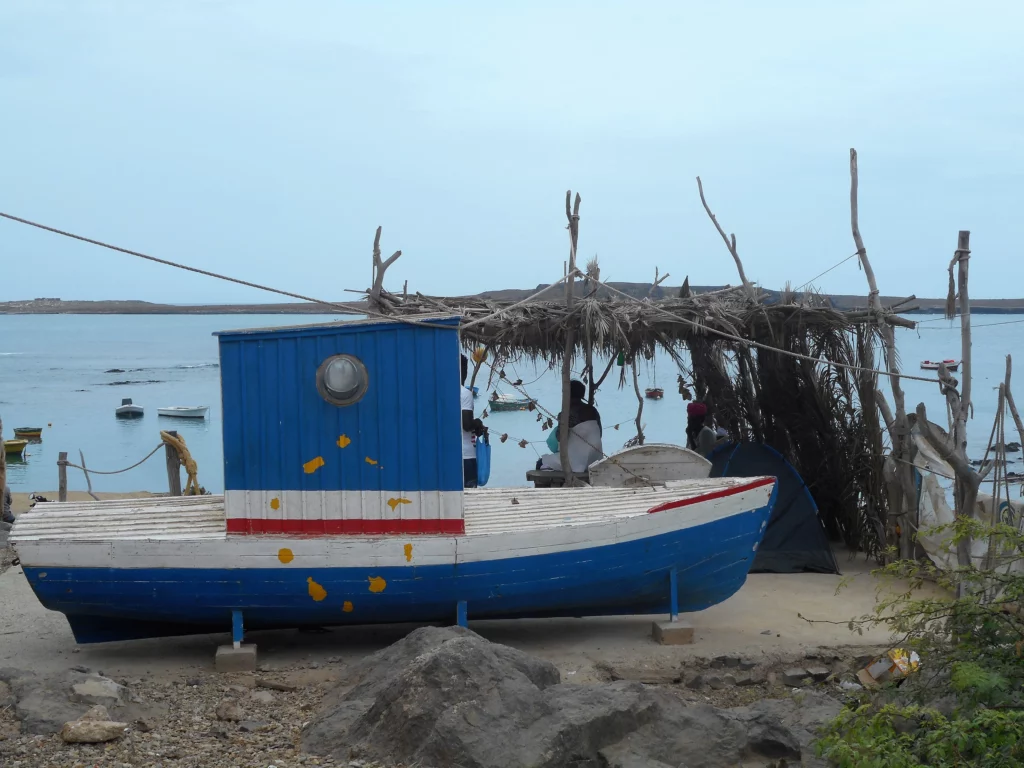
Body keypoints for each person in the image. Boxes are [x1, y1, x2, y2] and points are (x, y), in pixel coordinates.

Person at [537, 380, 604, 473]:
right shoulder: (593, 411)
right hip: (595, 459)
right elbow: (599, 434)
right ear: (582, 394)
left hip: (576, 461)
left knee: (540, 463)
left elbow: (560, 438)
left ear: (566, 393)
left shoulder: (566, 413)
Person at [460, 355, 485, 488]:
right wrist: (478, 423)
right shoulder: (464, 394)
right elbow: (466, 425)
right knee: (469, 496)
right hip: (466, 455)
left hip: (446, 454)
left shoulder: (442, 393)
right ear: (463, 370)